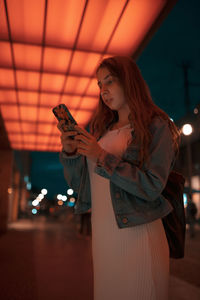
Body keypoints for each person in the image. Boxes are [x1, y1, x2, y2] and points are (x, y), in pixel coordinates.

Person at [57, 56, 180, 300]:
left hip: (138, 238)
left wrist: (101, 156)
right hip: (103, 240)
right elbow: (83, 188)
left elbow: (152, 185)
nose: (103, 90)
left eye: (109, 81)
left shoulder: (157, 126)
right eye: (100, 84)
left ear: (129, 81)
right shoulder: (102, 131)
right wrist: (71, 152)